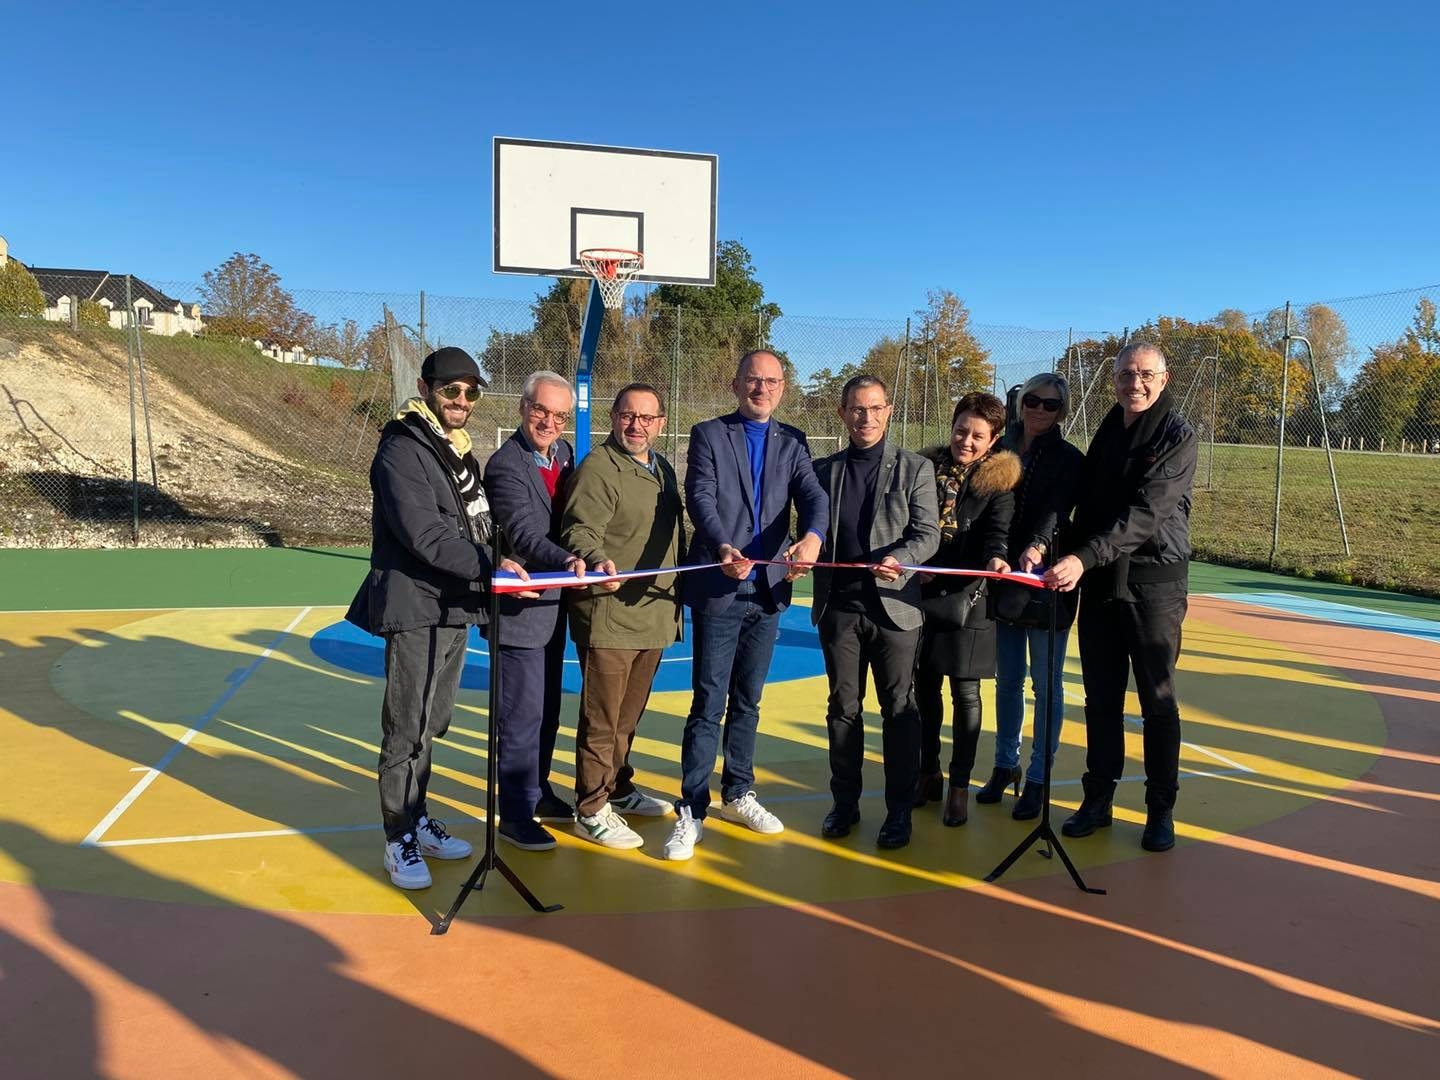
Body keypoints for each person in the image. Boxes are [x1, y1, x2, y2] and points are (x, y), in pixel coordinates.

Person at [345, 346, 531, 890]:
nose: (462, 400)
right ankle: (397, 835)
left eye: (472, 391)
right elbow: (425, 536)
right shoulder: (403, 448)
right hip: (417, 606)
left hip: (454, 605)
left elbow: (478, 525)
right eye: (451, 389)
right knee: (406, 728)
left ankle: (418, 817)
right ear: (426, 388)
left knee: (432, 723)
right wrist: (493, 567)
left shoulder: (456, 452)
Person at [662, 349, 829, 861]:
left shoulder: (794, 441)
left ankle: (739, 791)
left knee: (749, 700)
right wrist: (721, 547)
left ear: (783, 388)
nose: (762, 389)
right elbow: (701, 496)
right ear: (736, 385)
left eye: (772, 381)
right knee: (709, 701)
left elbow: (813, 497)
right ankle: (692, 808)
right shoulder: (710, 433)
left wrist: (814, 537)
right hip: (722, 584)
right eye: (753, 380)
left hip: (771, 590)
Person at [1045, 342, 1198, 853]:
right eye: (1126, 374)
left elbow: (1145, 514)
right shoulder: (1111, 426)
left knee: (1156, 700)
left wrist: (1084, 557)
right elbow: (1086, 501)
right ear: (1114, 379)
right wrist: (1044, 544)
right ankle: (1099, 799)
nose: (1135, 382)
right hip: (1103, 584)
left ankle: (1161, 809)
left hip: (1154, 583)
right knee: (1101, 698)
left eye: (1145, 374)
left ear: (1163, 377)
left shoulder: (1178, 434)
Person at [810, 374, 940, 850]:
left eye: (875, 408)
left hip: (896, 611)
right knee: (843, 709)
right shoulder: (823, 470)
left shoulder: (915, 469)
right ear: (843, 413)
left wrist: (901, 560)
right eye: (857, 409)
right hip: (839, 608)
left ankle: (899, 812)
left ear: (888, 411)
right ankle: (844, 803)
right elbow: (808, 528)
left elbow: (928, 534)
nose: (866, 417)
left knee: (899, 709)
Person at [561, 383, 685, 849]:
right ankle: (591, 806)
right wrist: (594, 558)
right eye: (628, 416)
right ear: (613, 418)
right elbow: (579, 528)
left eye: (647, 418)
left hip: (653, 614)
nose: (637, 426)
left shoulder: (662, 466)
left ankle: (618, 787)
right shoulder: (599, 468)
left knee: (628, 717)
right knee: (602, 719)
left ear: (661, 424)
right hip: (610, 614)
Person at [482, 370, 589, 851]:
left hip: (554, 607)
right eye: (541, 410)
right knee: (520, 718)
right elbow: (525, 533)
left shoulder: (564, 456)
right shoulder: (505, 465)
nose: (549, 421)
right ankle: (515, 814)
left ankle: (539, 791)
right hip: (521, 612)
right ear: (523, 408)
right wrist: (568, 559)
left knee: (547, 713)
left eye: (559, 415)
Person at [914, 392, 1021, 828]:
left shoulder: (999, 484)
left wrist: (997, 559)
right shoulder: (923, 469)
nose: (967, 441)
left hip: (970, 598)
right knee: (923, 688)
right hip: (921, 590)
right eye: (961, 430)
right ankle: (928, 771)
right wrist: (912, 560)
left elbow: (998, 534)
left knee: (965, 693)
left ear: (994, 440)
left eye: (979, 435)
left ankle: (960, 785)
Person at [984, 373, 1085, 820]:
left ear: (1062, 412)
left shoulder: (1068, 459)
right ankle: (1006, 765)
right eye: (1034, 401)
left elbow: (1058, 510)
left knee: (1046, 686)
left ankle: (1040, 777)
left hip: (1047, 581)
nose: (1041, 411)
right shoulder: (999, 449)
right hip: (1003, 575)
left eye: (1052, 405)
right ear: (1021, 402)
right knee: (1006, 681)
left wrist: (1038, 547)